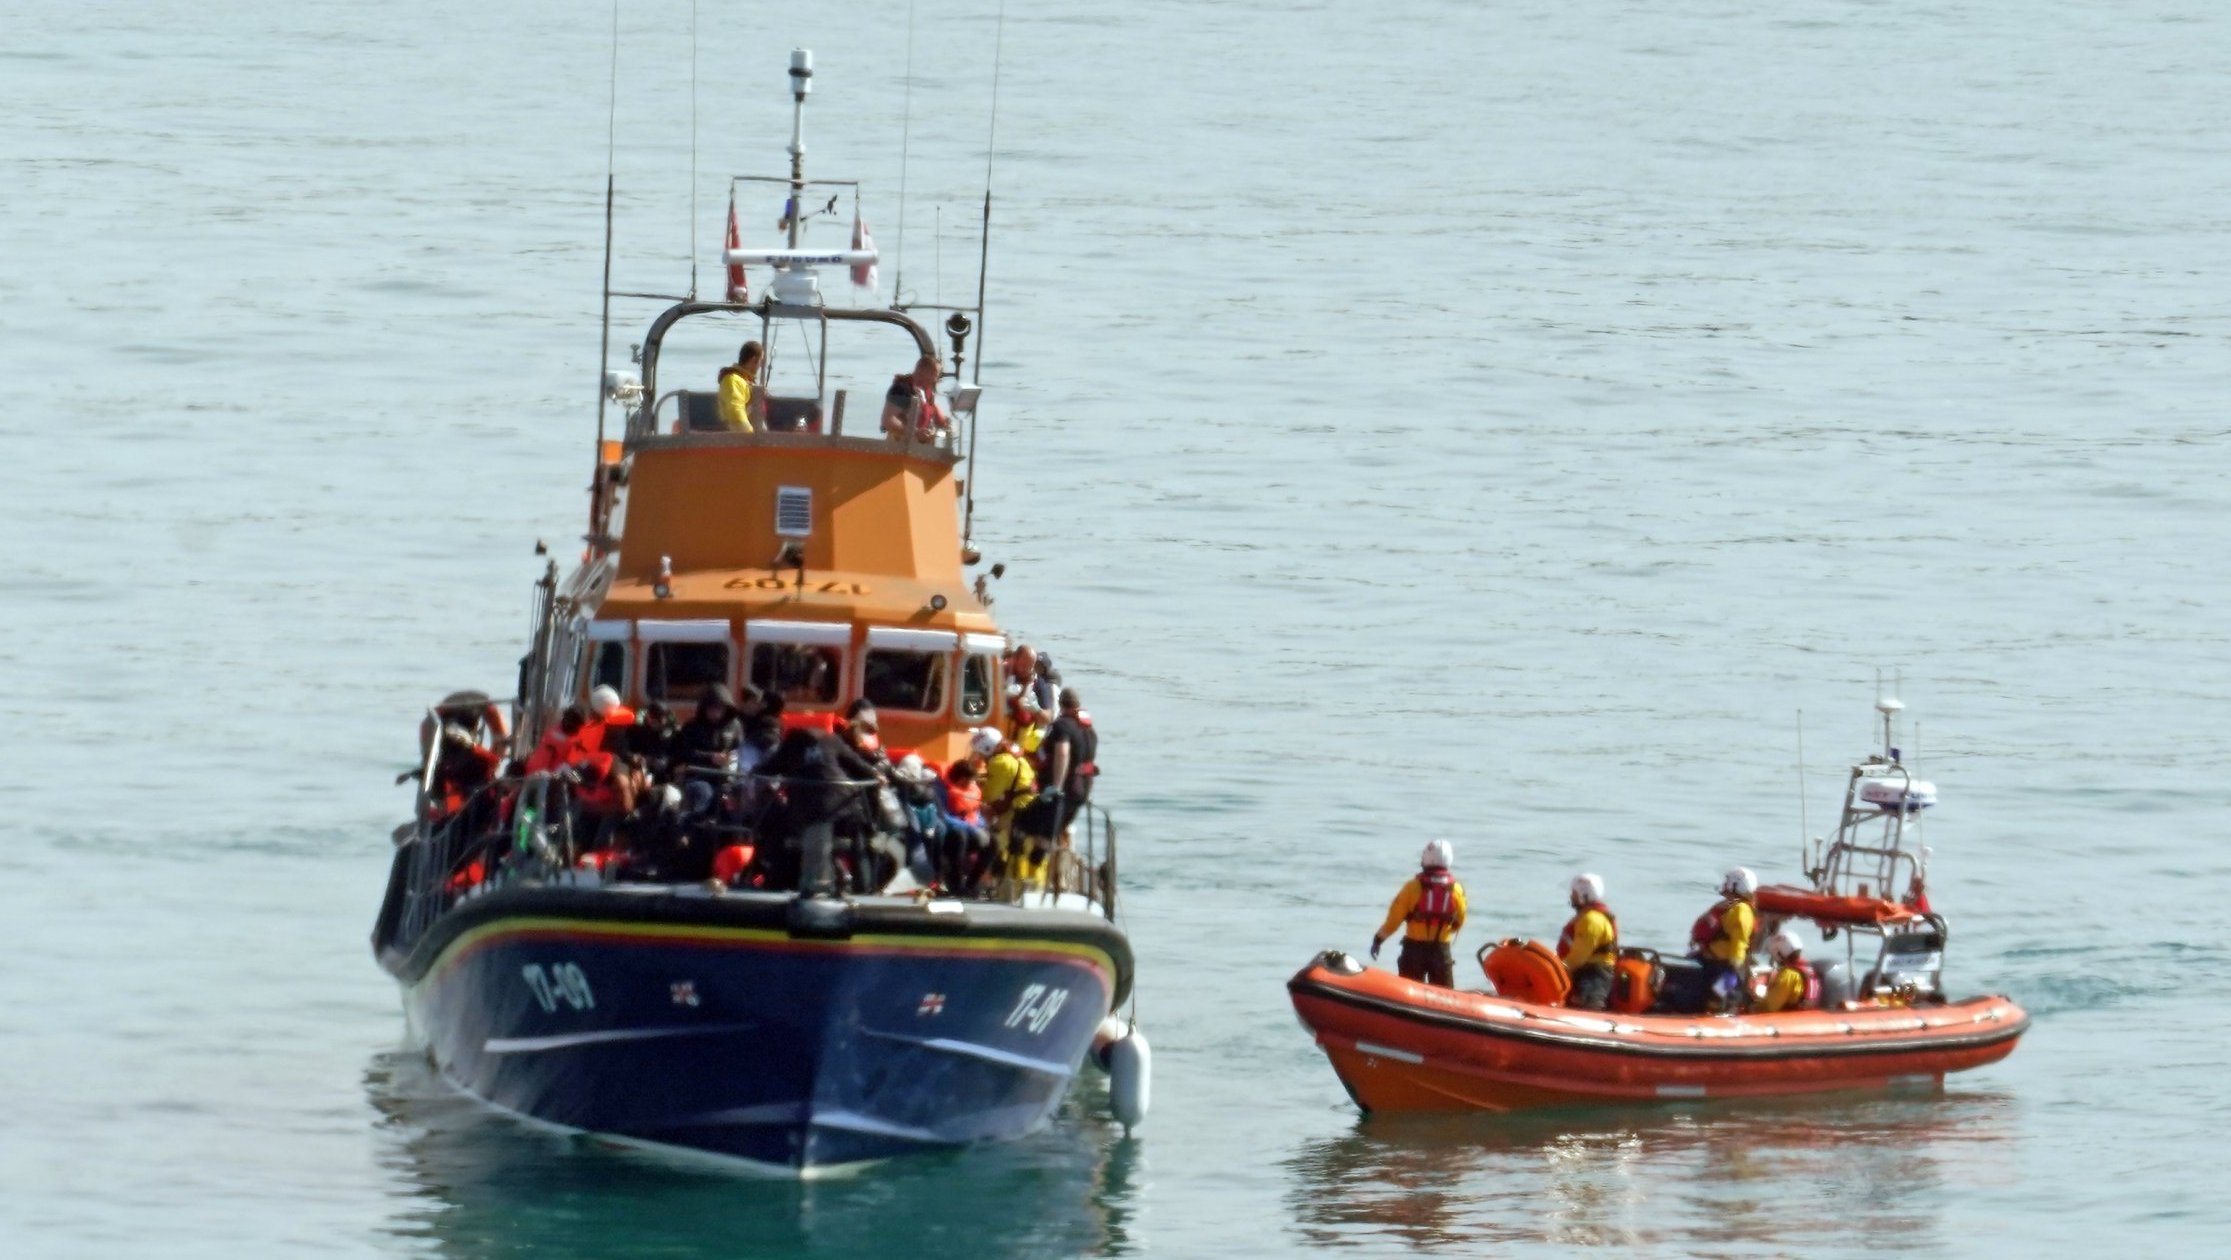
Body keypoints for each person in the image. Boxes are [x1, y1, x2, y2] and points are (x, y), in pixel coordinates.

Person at [1371, 840, 1468, 988]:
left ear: (1427, 858)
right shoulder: (1457, 889)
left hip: (1414, 950)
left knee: (1407, 992)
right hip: (1441, 952)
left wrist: (1379, 939)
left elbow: (1394, 920)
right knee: (1445, 995)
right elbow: (1459, 921)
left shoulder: (1412, 887)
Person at [975, 726, 1041, 885]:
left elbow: (991, 795)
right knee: (1026, 849)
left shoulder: (999, 762)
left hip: (1019, 809)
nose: (980, 757)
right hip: (1031, 805)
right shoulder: (1012, 755)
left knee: (1006, 844)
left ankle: (1011, 884)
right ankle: (1031, 884)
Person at [1690, 866, 1760, 1013]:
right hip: (1722, 965)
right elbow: (1739, 942)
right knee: (1725, 995)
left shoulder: (1726, 907)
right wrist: (1736, 967)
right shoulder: (1742, 910)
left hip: (1705, 958)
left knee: (1708, 995)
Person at [1037, 688, 1099, 838]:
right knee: (1058, 830)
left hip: (1066, 788)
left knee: (1044, 834)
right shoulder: (1088, 729)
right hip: (1084, 788)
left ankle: (1036, 858)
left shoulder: (1062, 726)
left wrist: (1056, 787)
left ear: (1060, 703)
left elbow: (1062, 753)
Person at [1558, 872, 1619, 1011]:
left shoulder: (1591, 920)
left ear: (1583, 895)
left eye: (1574, 893)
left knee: (1590, 1006)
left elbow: (1578, 956)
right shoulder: (1587, 917)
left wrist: (1558, 969)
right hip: (1587, 971)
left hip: (1594, 974)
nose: (1571, 896)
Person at [879, 353, 946, 442]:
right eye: (936, 375)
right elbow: (888, 421)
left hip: (921, 448)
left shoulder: (927, 393)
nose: (936, 380)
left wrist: (946, 424)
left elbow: (940, 419)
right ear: (924, 372)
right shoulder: (902, 389)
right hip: (900, 448)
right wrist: (915, 432)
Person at [1757, 931, 1821, 1013]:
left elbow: (1770, 1006)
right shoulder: (1810, 971)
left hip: (1789, 1021)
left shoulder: (1789, 974)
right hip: (1808, 1019)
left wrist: (1750, 1009)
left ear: (1779, 953)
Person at [717, 341, 764, 432]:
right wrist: (753, 438)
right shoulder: (733, 381)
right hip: (736, 436)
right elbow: (736, 412)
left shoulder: (745, 381)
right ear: (753, 360)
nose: (761, 366)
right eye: (761, 361)